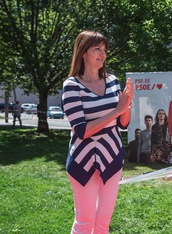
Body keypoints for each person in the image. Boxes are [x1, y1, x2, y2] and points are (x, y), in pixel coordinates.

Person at [61, 30, 134, 233]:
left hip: (111, 158)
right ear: (84, 53)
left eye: (104, 50)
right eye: (97, 49)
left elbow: (122, 124)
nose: (102, 54)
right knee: (84, 223)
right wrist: (117, 110)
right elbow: (82, 131)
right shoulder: (71, 86)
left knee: (103, 224)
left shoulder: (112, 81)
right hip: (82, 162)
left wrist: (126, 106)